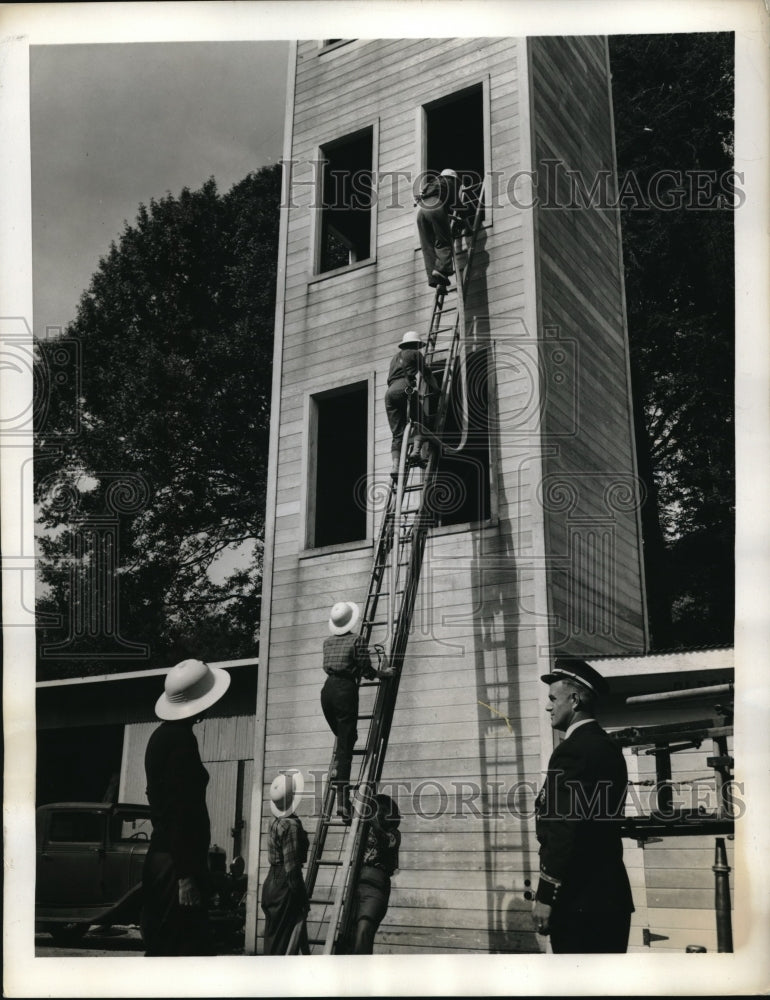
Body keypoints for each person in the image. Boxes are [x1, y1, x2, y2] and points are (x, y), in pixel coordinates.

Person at [532, 657, 634, 953]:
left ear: (574, 700)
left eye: (553, 698)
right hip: (610, 898)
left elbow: (565, 828)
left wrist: (546, 895)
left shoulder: (573, 752)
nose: (549, 706)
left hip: (579, 901)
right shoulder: (607, 747)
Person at [140, 657, 231, 956]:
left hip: (166, 859)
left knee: (169, 945)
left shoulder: (162, 736)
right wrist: (185, 876)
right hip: (175, 864)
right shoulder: (180, 742)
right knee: (179, 949)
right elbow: (179, 812)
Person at [321, 601, 393, 823]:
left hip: (327, 691)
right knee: (346, 746)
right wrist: (384, 673)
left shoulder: (328, 642)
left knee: (345, 739)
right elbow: (366, 670)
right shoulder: (356, 640)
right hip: (344, 691)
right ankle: (343, 802)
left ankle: (336, 772)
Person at [261, 770, 310, 955]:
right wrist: (302, 897)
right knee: (281, 944)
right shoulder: (291, 827)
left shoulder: (274, 820)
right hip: (283, 883)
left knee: (273, 938)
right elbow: (292, 869)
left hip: (271, 881)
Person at [384, 330, 441, 476]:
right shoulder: (415, 354)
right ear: (416, 344)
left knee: (398, 433)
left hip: (390, 394)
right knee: (421, 421)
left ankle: (396, 467)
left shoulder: (394, 358)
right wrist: (436, 389)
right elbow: (426, 373)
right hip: (405, 389)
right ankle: (416, 452)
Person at [351, 792, 401, 954]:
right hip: (356, 883)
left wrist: (372, 820)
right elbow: (347, 815)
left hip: (376, 887)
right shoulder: (366, 826)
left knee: (364, 930)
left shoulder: (394, 833)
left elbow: (386, 840)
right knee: (350, 935)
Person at [415, 168, 471, 287]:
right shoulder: (449, 183)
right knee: (444, 241)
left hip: (421, 213)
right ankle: (442, 270)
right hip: (435, 208)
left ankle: (433, 278)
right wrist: (467, 226)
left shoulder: (433, 184)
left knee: (428, 246)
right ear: (453, 179)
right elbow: (458, 205)